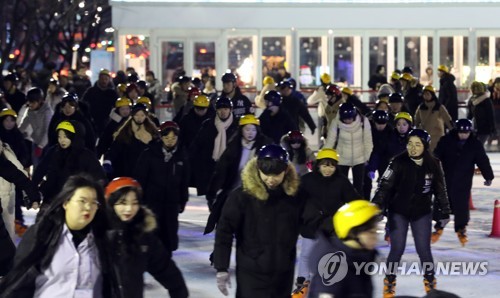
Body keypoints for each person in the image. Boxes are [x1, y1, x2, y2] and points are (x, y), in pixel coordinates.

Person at [213, 144, 302, 297]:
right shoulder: (241, 197)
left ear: (286, 170)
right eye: (266, 174)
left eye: (276, 174)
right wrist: (222, 267)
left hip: (283, 275)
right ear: (258, 169)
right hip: (251, 274)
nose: (271, 179)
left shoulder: (294, 197)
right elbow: (224, 231)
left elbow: (310, 222)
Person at [371, 129, 452, 297]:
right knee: (397, 248)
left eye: (417, 144)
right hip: (398, 211)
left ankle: (430, 282)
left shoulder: (434, 163)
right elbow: (384, 186)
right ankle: (390, 281)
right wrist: (377, 205)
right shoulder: (397, 162)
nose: (413, 148)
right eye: (410, 144)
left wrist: (444, 211)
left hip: (421, 212)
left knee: (424, 250)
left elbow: (440, 189)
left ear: (425, 146)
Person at [0, 174, 107, 297]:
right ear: (66, 203)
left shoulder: (102, 240)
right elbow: (19, 281)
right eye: (82, 201)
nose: (88, 207)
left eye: (94, 202)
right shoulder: (42, 235)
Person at [103, 177, 189, 297]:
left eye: (134, 203)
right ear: (111, 203)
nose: (129, 209)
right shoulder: (98, 233)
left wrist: (179, 293)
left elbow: (166, 269)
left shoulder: (143, 237)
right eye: (123, 203)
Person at [294, 148, 360, 297]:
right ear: (318, 165)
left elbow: (354, 200)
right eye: (324, 165)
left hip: (331, 227)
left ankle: (330, 284)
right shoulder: (307, 180)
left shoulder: (341, 182)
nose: (328, 169)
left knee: (330, 257)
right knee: (306, 254)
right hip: (310, 225)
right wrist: (299, 217)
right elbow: (296, 200)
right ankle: (302, 282)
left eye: (331, 166)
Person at [204, 114, 272, 235]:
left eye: (253, 129)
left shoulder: (265, 146)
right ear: (241, 130)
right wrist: (212, 192)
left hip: (256, 192)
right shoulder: (233, 146)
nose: (250, 133)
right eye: (247, 129)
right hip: (234, 190)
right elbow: (221, 170)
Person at [433, 119, 494, 246]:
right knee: (442, 202)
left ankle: (461, 228)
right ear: (456, 131)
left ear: (470, 132)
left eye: (466, 133)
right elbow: (435, 156)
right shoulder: (446, 141)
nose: (463, 135)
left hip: (463, 181)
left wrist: (488, 176)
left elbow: (482, 160)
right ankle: (439, 226)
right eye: (461, 132)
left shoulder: (474, 144)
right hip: (446, 179)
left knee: (461, 205)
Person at [134, 121, 189, 252]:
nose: (170, 141)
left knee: (169, 233)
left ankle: (166, 257)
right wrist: (140, 199)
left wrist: (183, 200)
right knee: (151, 231)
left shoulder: (182, 155)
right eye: (166, 138)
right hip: (152, 201)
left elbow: (184, 181)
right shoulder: (149, 154)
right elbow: (140, 177)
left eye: (173, 138)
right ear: (161, 137)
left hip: (172, 202)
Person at [307, 200, 380, 298]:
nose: (376, 237)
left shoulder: (355, 258)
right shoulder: (334, 271)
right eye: (372, 232)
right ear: (353, 233)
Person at [33, 120, 106, 207]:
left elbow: (99, 178)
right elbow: (40, 171)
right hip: (51, 200)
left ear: (75, 136)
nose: (62, 140)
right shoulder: (53, 152)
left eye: (65, 137)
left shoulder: (86, 156)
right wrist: (33, 193)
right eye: (59, 137)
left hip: (75, 202)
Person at [189, 96, 238, 195]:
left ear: (230, 110)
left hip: (230, 169)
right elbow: (197, 145)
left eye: (225, 109)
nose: (223, 112)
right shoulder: (208, 124)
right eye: (220, 109)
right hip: (209, 168)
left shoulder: (237, 126)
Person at [325, 102, 373, 196]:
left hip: (360, 159)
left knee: (358, 187)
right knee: (341, 186)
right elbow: (330, 141)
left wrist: (367, 157)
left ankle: (358, 207)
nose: (348, 121)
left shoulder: (363, 121)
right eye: (345, 119)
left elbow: (368, 141)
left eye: (350, 118)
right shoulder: (336, 123)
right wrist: (324, 157)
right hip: (342, 158)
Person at [104, 103, 158, 178]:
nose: (139, 118)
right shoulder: (125, 131)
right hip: (128, 170)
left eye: (142, 115)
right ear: (132, 115)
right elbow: (116, 147)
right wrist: (108, 160)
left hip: (147, 172)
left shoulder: (152, 132)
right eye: (137, 115)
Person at [18, 87, 54, 167]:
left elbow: (47, 130)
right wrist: (16, 133)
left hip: (47, 143)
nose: (30, 104)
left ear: (39, 101)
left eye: (33, 102)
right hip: (36, 141)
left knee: (47, 166)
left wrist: (41, 146)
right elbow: (23, 124)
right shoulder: (30, 111)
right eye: (29, 102)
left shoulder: (47, 112)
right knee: (36, 166)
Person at [414, 85, 453, 152]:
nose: (426, 96)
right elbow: (417, 120)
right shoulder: (421, 107)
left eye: (428, 94)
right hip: (424, 135)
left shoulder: (439, 107)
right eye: (424, 94)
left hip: (437, 135)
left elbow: (447, 119)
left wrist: (452, 131)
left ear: (432, 95)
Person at [81, 68, 118, 137]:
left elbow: (117, 107)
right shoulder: (91, 91)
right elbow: (83, 104)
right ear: (99, 79)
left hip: (108, 122)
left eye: (106, 79)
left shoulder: (113, 93)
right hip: (93, 121)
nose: (104, 81)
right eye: (102, 78)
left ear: (109, 79)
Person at [467, 81, 496, 146]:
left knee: (478, 146)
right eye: (474, 88)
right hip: (475, 128)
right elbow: (470, 115)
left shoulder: (486, 101)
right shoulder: (472, 100)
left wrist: (492, 128)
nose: (475, 89)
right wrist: (466, 123)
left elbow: (490, 115)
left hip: (484, 128)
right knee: (476, 146)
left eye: (477, 88)